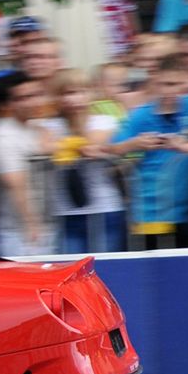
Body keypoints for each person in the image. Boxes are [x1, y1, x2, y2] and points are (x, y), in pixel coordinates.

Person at [36, 69, 127, 253]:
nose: (74, 98)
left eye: (80, 91)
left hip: (104, 208)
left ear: (91, 93)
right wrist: (73, 146)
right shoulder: (49, 125)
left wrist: (67, 143)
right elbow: (45, 147)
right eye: (67, 93)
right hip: (66, 212)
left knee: (105, 269)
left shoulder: (104, 121)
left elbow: (93, 143)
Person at [109, 54, 188, 248]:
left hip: (186, 209)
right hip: (150, 211)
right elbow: (114, 148)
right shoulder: (141, 115)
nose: (170, 91)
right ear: (154, 81)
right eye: (164, 84)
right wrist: (136, 143)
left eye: (176, 84)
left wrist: (184, 147)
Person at [0, 73, 56, 256]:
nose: (33, 102)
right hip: (20, 232)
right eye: (23, 98)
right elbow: (15, 183)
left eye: (36, 95)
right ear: (7, 105)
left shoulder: (36, 129)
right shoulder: (2, 134)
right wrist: (31, 225)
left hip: (46, 224)